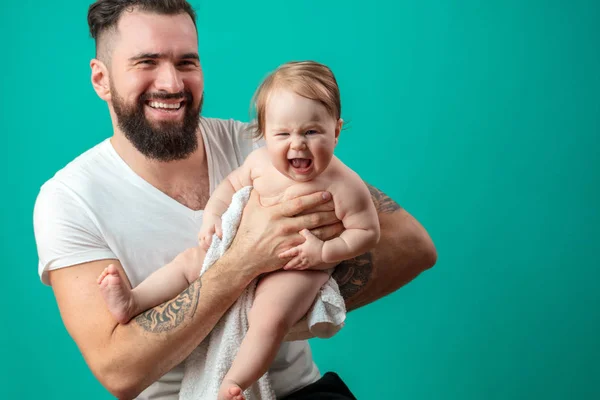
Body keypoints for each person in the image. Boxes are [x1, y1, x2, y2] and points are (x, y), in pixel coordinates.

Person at [33, 1, 437, 399]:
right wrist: (244, 260)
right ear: (101, 79)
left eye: (187, 62)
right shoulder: (69, 199)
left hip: (301, 391)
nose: (172, 83)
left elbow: (411, 244)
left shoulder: (263, 143)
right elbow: (119, 370)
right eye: (147, 62)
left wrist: (272, 315)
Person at [97, 60, 381, 400]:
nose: (298, 145)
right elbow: (231, 185)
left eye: (311, 132)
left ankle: (234, 383)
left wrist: (323, 252)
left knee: (269, 318)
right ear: (264, 133)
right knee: (190, 262)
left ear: (335, 131)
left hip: (297, 266)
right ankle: (133, 300)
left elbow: (367, 232)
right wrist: (213, 216)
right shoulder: (259, 162)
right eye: (283, 134)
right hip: (240, 249)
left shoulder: (344, 184)